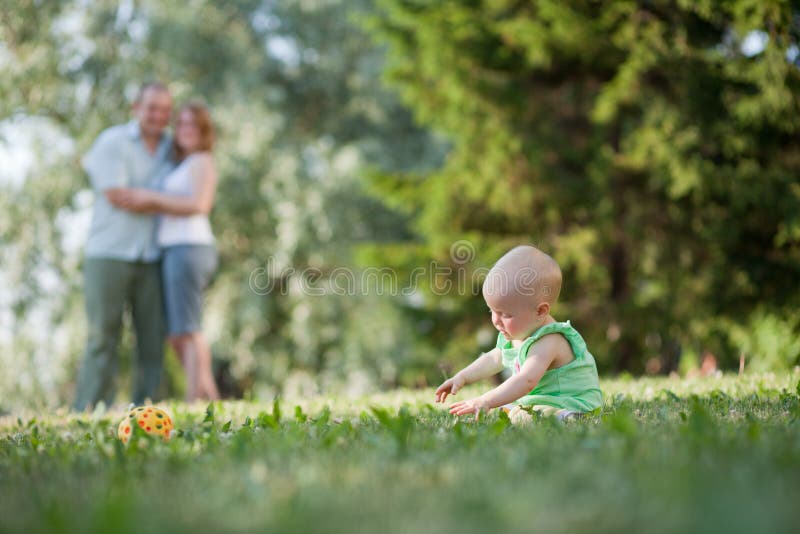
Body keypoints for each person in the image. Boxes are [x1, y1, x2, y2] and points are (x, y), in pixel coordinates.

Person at [106, 103, 220, 401]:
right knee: (178, 332)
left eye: (193, 125)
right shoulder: (181, 163)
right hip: (173, 249)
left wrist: (150, 197)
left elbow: (199, 204)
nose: (185, 131)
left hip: (190, 247)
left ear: (203, 131)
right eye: (181, 124)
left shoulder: (201, 161)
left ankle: (195, 400)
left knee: (189, 328)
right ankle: (208, 396)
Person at [73, 82, 174, 411]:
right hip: (108, 253)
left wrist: (149, 198)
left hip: (152, 255)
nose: (158, 115)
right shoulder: (112, 141)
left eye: (164, 110)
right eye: (151, 108)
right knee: (103, 335)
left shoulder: (171, 148)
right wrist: (169, 202)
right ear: (136, 108)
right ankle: (89, 407)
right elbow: (117, 196)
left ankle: (148, 409)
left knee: (152, 338)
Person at [434, 245, 602, 421]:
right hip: (541, 402)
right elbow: (493, 359)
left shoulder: (550, 340)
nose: (496, 321)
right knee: (503, 411)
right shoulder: (519, 333)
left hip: (572, 404)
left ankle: (570, 419)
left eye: (506, 314)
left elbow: (526, 381)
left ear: (540, 311)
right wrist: (462, 377)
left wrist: (485, 400)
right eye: (492, 311)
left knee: (521, 415)